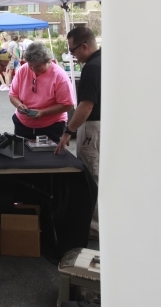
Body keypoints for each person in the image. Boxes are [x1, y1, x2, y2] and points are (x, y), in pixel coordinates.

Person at [55, 27, 101, 240]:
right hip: (100, 126)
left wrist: (68, 131)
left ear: (84, 46)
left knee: (91, 176)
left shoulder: (92, 67)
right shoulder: (104, 61)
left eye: (72, 51)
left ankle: (94, 228)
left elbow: (85, 106)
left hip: (92, 127)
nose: (72, 55)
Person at [8, 42, 74, 142]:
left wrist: (43, 112)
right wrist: (19, 105)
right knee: (22, 151)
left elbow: (68, 105)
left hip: (52, 125)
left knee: (50, 152)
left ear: (47, 61)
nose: (33, 69)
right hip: (22, 123)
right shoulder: (22, 70)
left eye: (38, 66)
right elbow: (13, 95)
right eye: (30, 65)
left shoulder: (60, 76)